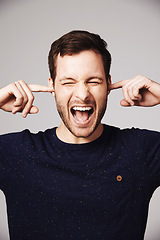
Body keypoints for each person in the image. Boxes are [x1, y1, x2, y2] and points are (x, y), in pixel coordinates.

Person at [0, 30, 160, 240]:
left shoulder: (141, 151)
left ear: (109, 85)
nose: (83, 94)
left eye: (93, 81)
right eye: (68, 82)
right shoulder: (15, 152)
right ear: (52, 86)